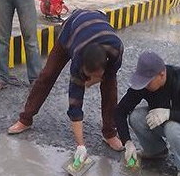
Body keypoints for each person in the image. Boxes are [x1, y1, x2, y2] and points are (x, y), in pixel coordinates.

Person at [8, 9, 125, 164]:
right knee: (47, 75)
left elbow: (109, 75)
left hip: (95, 24)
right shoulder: (77, 57)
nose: (89, 79)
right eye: (87, 75)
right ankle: (25, 118)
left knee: (110, 88)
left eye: (96, 75)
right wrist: (80, 145)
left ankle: (109, 133)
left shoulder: (116, 50)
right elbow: (75, 104)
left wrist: (93, 81)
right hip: (71, 30)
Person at [114, 51, 180, 176]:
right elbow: (120, 111)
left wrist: (169, 113)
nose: (145, 86)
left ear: (161, 74)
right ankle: (157, 151)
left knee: (173, 127)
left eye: (148, 82)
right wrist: (127, 143)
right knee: (136, 117)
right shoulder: (144, 85)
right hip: (164, 121)